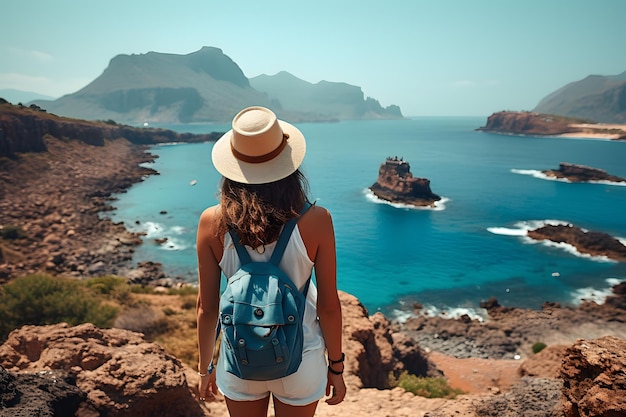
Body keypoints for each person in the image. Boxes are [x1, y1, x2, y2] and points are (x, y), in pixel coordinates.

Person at [196, 106, 346, 417]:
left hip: (240, 357)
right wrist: (337, 367)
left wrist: (204, 367)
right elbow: (329, 305)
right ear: (289, 164)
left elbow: (206, 308)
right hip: (301, 359)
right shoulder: (317, 220)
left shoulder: (211, 221)